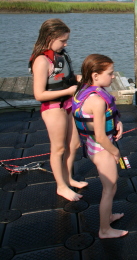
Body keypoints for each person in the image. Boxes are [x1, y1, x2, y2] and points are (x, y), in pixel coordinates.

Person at [29, 18, 87, 201]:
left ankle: (68, 177)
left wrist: (81, 79)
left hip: (68, 104)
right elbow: (39, 94)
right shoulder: (41, 60)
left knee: (74, 144)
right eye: (62, 40)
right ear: (49, 38)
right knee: (59, 148)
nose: (65, 43)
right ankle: (61, 187)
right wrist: (68, 91)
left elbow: (65, 77)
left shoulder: (61, 56)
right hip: (53, 108)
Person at [72, 54, 127, 239]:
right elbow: (102, 137)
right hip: (102, 149)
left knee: (110, 188)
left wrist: (117, 122)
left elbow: (100, 121)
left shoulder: (82, 91)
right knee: (109, 189)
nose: (113, 77)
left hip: (91, 145)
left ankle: (108, 217)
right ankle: (104, 230)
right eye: (110, 73)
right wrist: (116, 152)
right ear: (95, 76)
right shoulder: (97, 101)